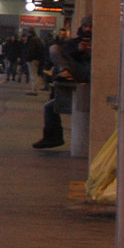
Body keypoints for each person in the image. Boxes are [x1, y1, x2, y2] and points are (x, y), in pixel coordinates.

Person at [33, 18, 91, 149]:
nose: (88, 29)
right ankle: (53, 137)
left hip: (91, 76)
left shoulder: (103, 42)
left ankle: (66, 73)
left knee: (50, 106)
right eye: (86, 26)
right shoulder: (73, 43)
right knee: (49, 106)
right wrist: (78, 50)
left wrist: (92, 52)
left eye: (91, 26)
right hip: (75, 73)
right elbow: (65, 55)